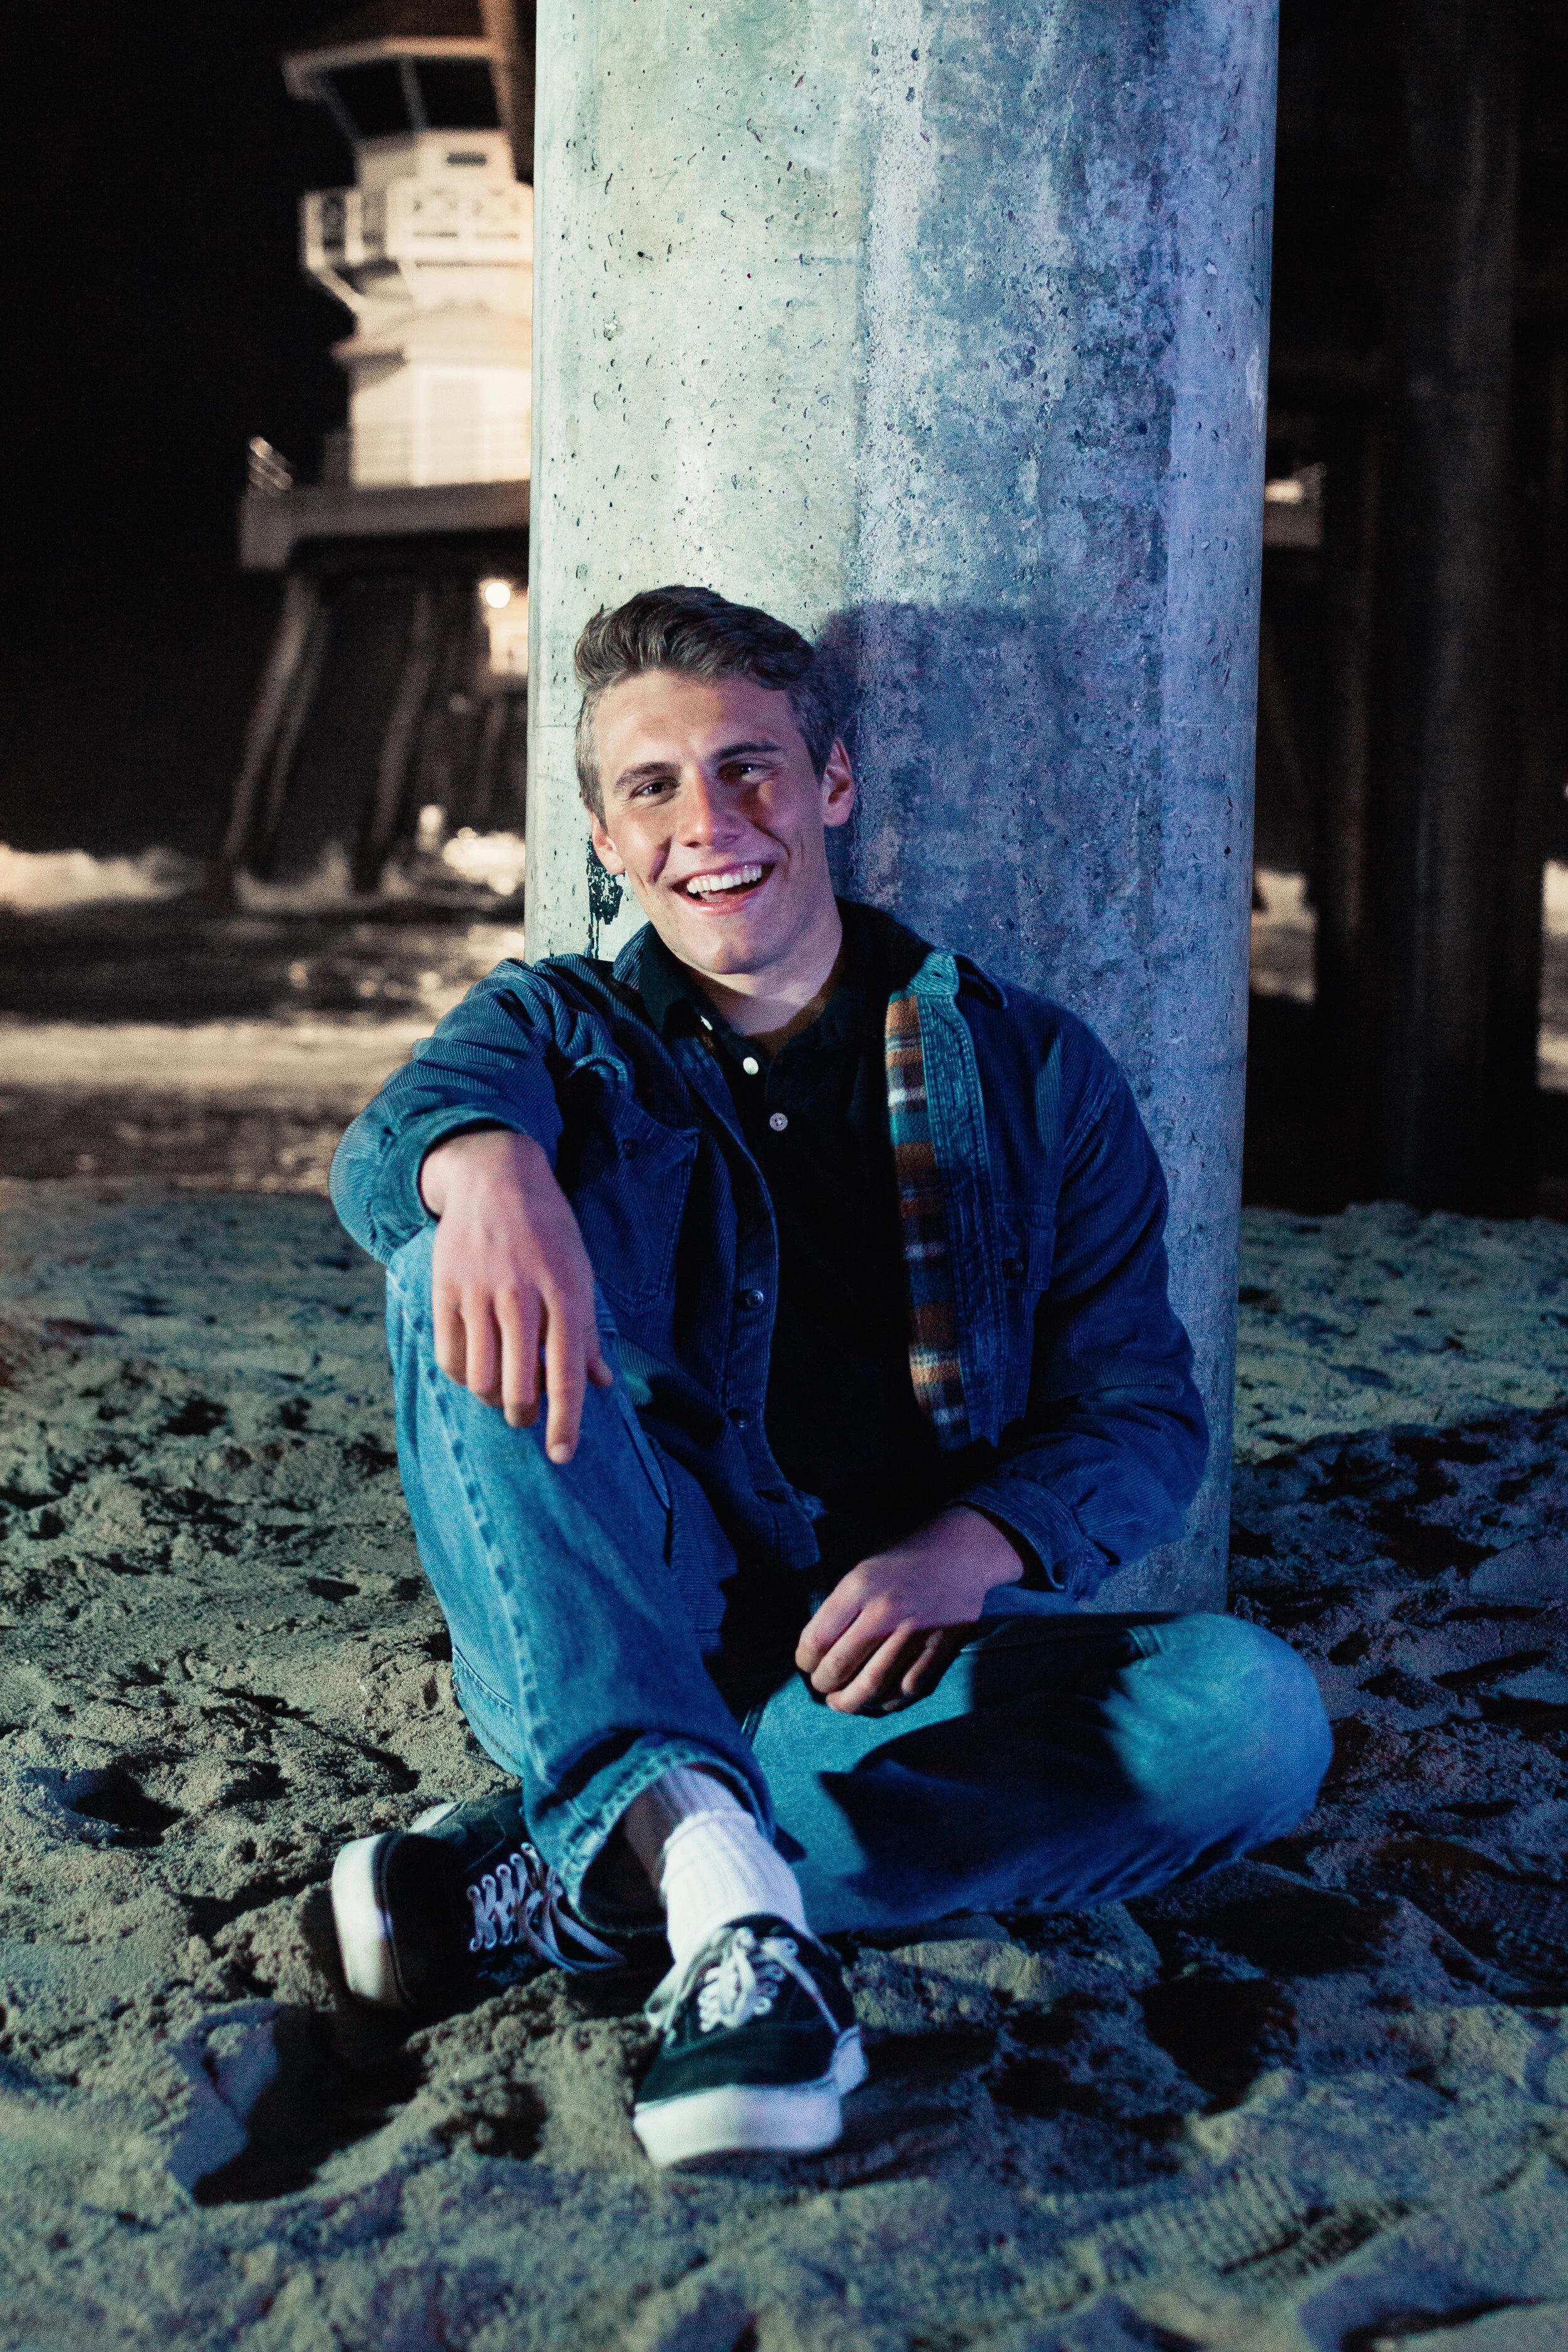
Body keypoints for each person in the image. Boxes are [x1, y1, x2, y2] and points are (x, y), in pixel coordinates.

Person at [327, 585, 1332, 2167]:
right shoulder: (554, 1030)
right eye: (652, 787)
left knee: (1250, 1720)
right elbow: (391, 1142)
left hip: (870, 1666)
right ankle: (725, 1907)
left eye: (749, 768)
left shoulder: (1032, 1066)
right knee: (444, 1258)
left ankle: (581, 1864)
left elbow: (1139, 1412)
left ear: (832, 783)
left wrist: (972, 1547)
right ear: (603, 837)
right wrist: (486, 1167)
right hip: (621, 1611)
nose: (707, 823)